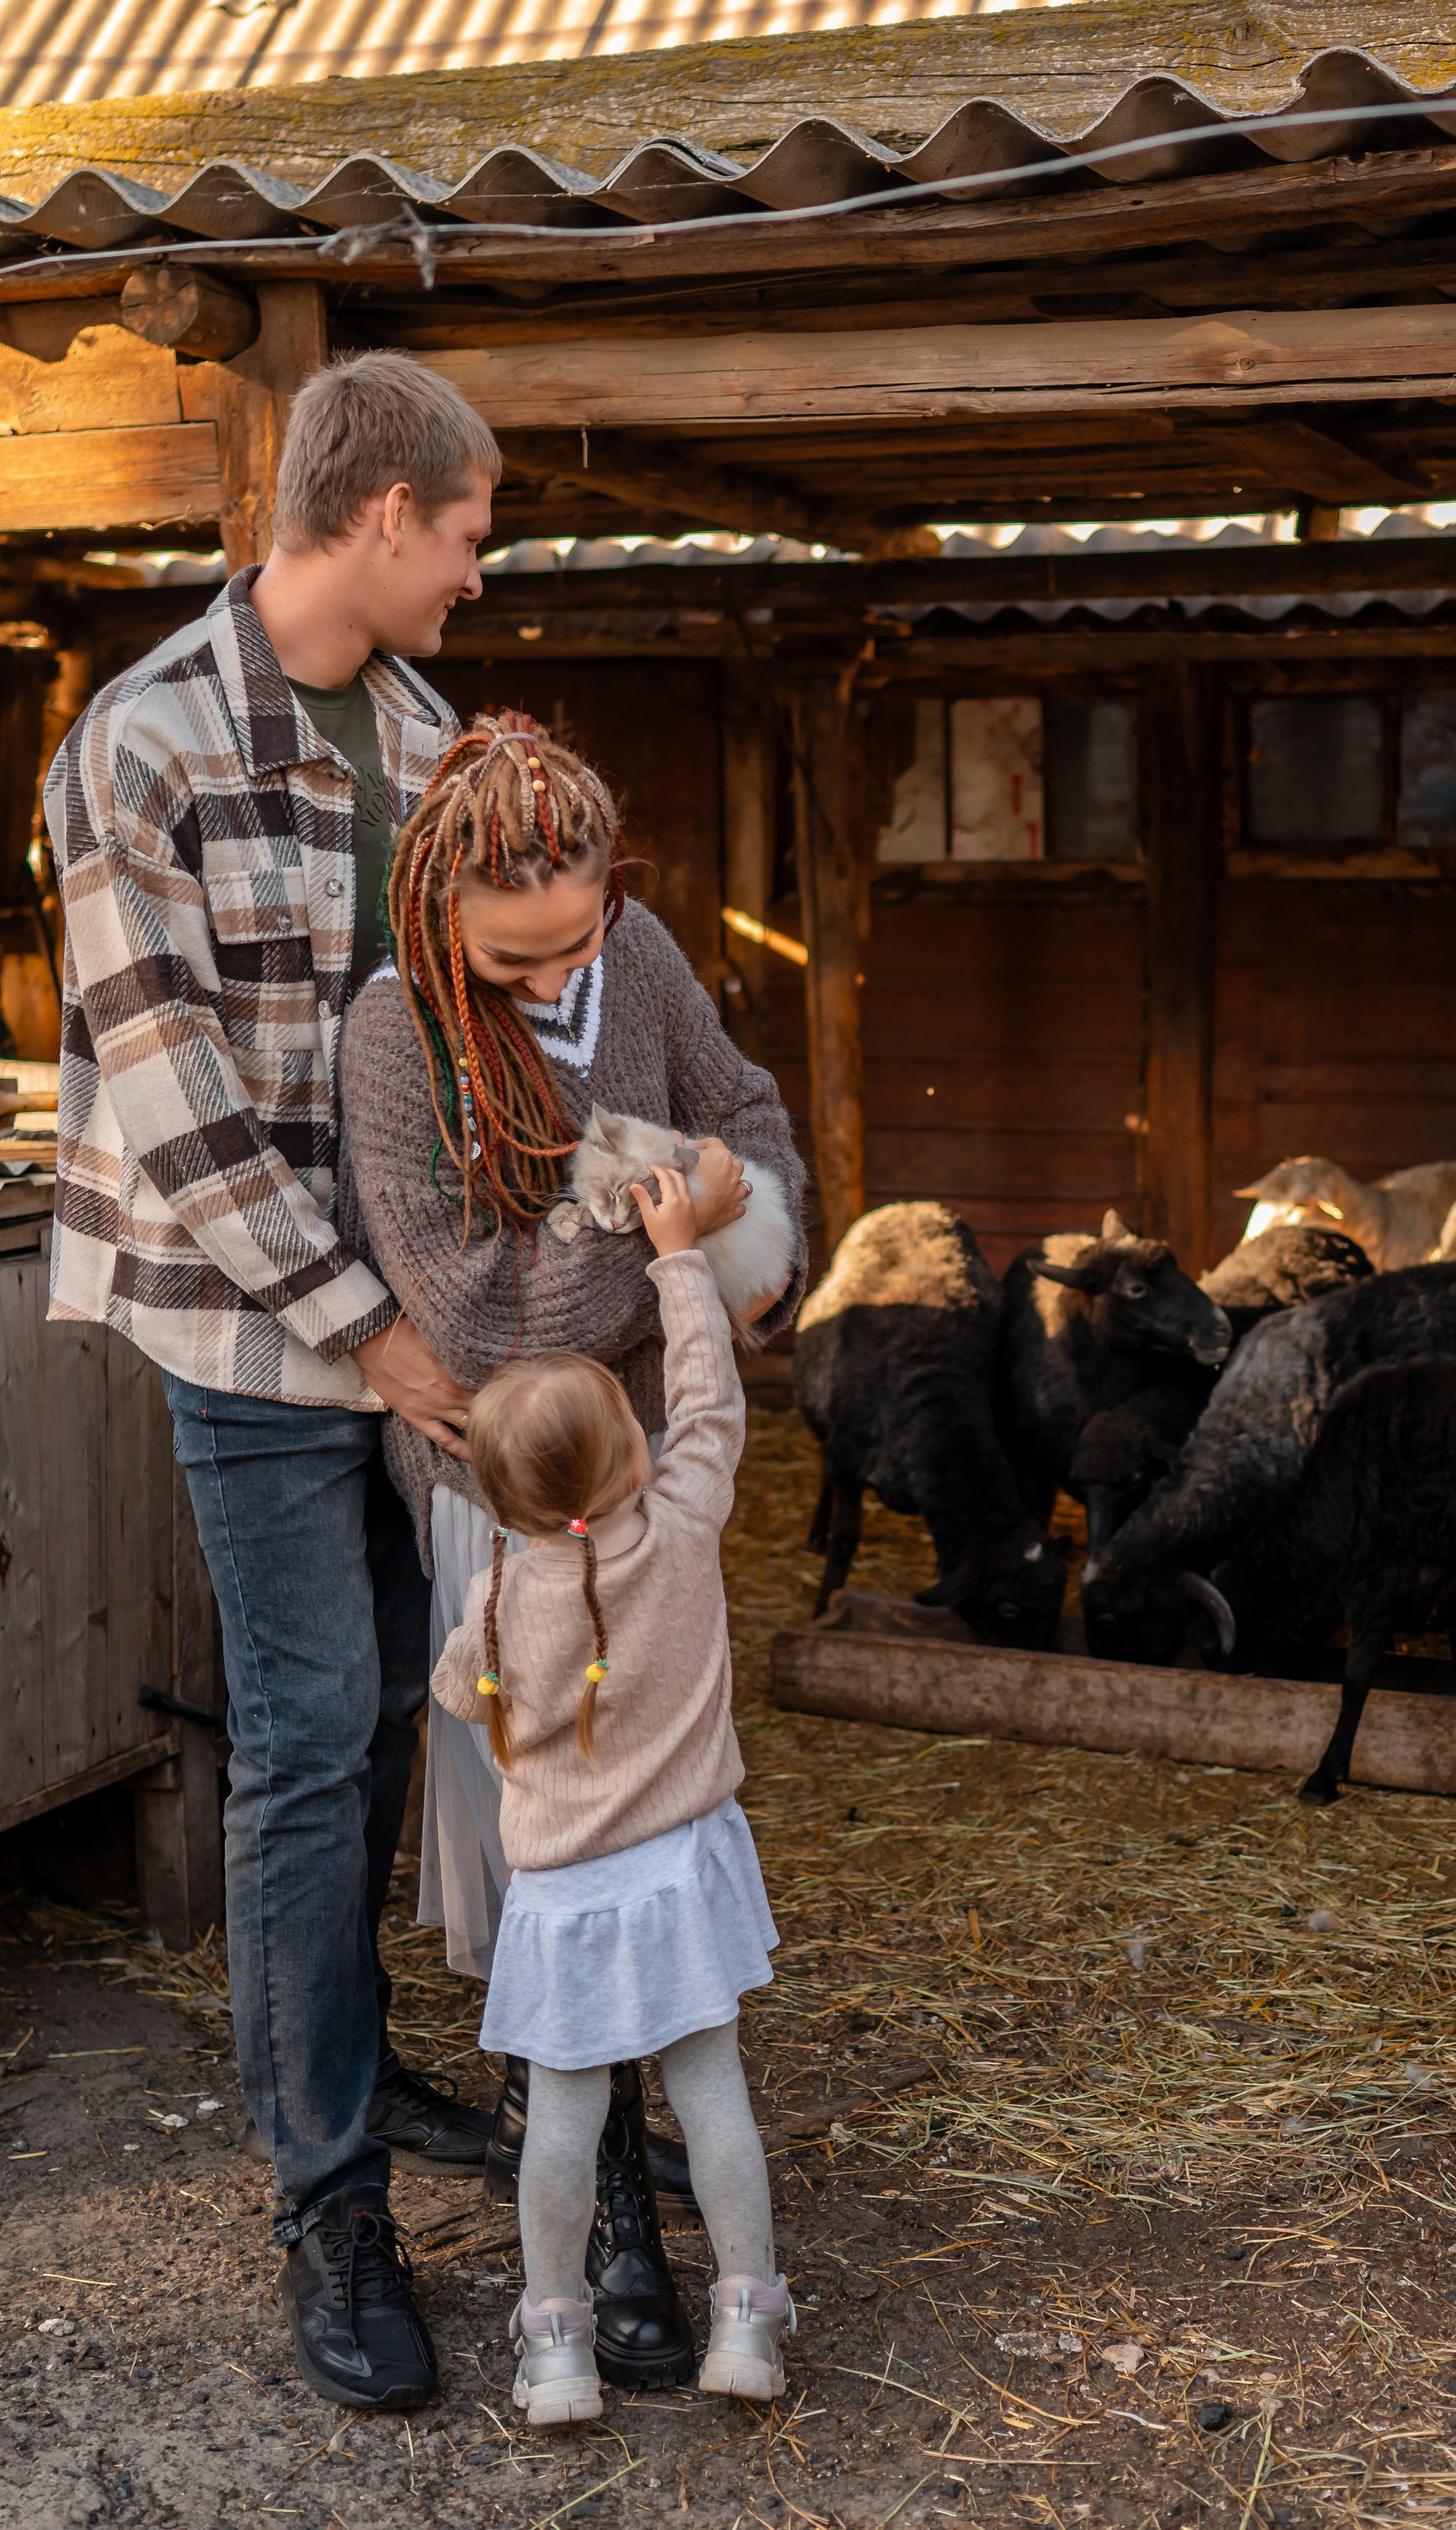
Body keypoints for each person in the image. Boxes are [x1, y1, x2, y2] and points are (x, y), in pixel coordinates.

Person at [45, 351, 505, 2412]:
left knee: (399, 1686)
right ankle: (326, 2198)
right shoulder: (138, 746)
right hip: (249, 1324)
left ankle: (352, 2044)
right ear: (388, 512)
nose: (483, 579)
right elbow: (184, 1115)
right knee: (312, 1726)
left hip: (410, 1328)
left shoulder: (420, 733)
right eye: (475, 536)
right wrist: (389, 1340)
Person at [338, 709, 806, 2387]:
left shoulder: (646, 957)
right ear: (439, 907)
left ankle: (642, 2224)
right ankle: (613, 2223)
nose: (554, 980)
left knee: (634, 1802)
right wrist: (674, 1234)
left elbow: (744, 1111)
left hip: (640, 1459)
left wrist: (714, 1192)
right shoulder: (395, 1044)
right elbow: (467, 1313)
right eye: (514, 955)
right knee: (540, 1856)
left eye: (578, 937)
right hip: (507, 1476)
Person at [431, 1160, 794, 2426]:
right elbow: (711, 1402)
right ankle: (748, 2316)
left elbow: (458, 1699)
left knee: (564, 2127)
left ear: (509, 1503)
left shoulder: (495, 1596)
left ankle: (557, 2351)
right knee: (714, 2101)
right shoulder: (687, 1525)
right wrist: (678, 1258)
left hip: (567, 1895)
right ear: (635, 1458)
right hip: (685, 1870)